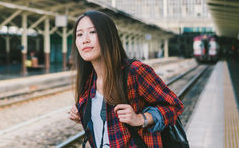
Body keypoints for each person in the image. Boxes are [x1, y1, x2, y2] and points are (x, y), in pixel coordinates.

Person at [68, 10, 183, 148]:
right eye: (79, 34)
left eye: (92, 32)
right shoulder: (88, 82)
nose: (85, 39)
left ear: (108, 36)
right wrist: (82, 112)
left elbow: (174, 106)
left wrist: (141, 119)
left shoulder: (134, 72)